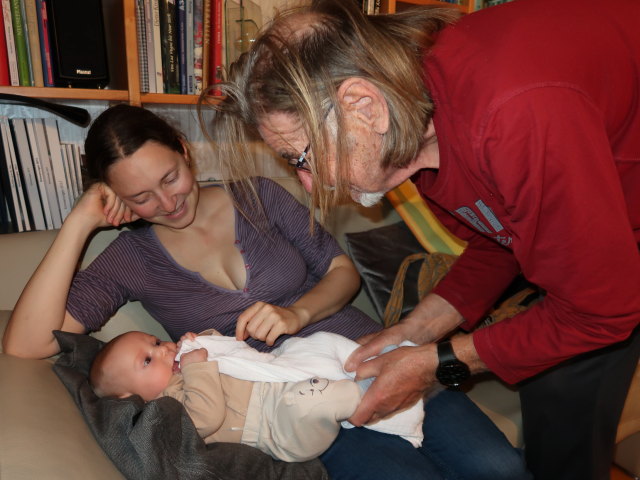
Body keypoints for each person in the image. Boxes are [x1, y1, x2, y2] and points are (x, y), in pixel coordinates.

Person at [207, 1, 640, 479]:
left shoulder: (512, 113)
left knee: (563, 393)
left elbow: (600, 309)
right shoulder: (419, 145)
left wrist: (436, 363)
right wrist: (414, 331)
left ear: (363, 105)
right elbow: (500, 243)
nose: (311, 185)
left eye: (301, 158)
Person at [2, 104, 531, 479]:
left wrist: (297, 313)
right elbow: (26, 344)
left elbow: (341, 271)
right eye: (139, 197)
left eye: (170, 177)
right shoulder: (128, 260)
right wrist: (80, 223)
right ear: (116, 201)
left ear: (185, 152)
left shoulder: (257, 195)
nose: (166, 203)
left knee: (499, 467)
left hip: (372, 355)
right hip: (293, 410)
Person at [89, 328, 424, 462]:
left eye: (156, 342)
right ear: (132, 397)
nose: (163, 350)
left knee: (317, 352)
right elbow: (207, 416)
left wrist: (206, 340)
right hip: (279, 431)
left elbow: (237, 356)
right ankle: (366, 396)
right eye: (148, 360)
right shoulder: (167, 408)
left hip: (279, 392)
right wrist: (196, 367)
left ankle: (369, 371)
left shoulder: (183, 362)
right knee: (316, 399)